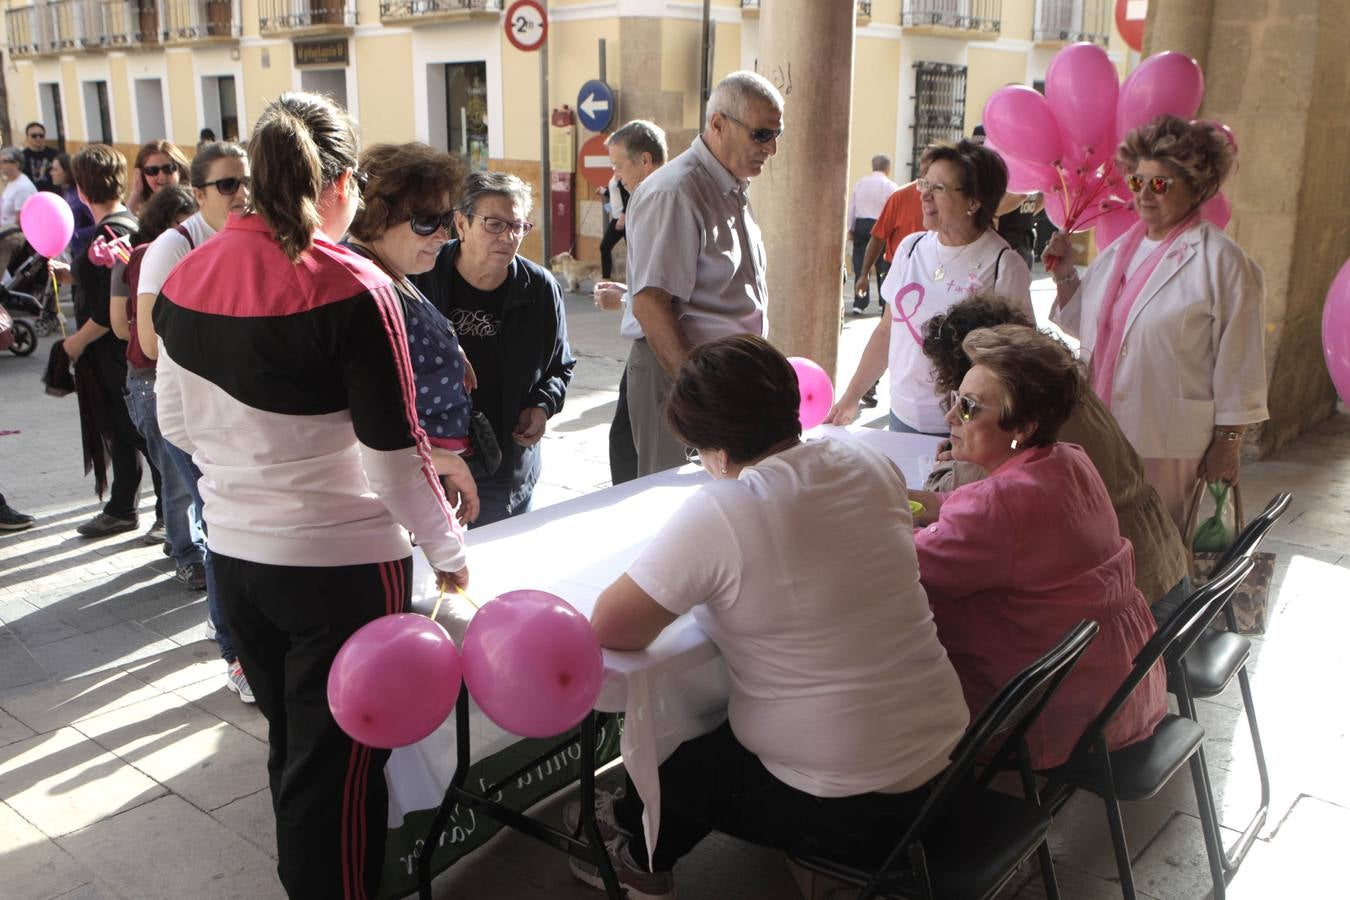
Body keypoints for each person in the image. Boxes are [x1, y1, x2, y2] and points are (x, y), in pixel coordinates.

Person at [154, 92, 468, 899]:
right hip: (343, 565)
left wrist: (251, 471)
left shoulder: (186, 272)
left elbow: (174, 424)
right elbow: (397, 460)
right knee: (341, 776)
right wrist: (451, 554)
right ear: (341, 182)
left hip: (236, 558)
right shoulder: (356, 284)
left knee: (295, 753)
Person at [578, 334, 969, 897]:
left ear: (713, 447)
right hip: (944, 757)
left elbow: (610, 626)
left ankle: (637, 863)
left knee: (672, 771)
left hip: (853, 805)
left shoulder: (725, 508)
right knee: (710, 736)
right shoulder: (868, 460)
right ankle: (638, 834)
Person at [911, 325, 1166, 769]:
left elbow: (901, 576)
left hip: (1050, 716)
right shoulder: (1067, 458)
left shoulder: (999, 505)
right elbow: (986, 516)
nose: (951, 417)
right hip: (1118, 689)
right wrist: (924, 504)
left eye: (968, 407)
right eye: (955, 398)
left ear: (1023, 427)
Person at [1045, 115, 1268, 529]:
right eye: (1137, 182)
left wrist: (1229, 443)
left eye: (1160, 183)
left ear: (1196, 187)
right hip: (1100, 426)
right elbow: (1089, 328)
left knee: (1158, 541)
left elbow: (1240, 362)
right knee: (1097, 537)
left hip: (1167, 436)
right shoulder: (1119, 252)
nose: (1145, 194)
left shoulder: (1223, 262)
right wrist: (1064, 275)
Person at [917, 293, 1190, 610]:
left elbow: (946, 535)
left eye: (966, 405)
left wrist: (947, 464)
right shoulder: (1060, 404)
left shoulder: (1010, 446)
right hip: (1161, 567)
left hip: (1135, 597)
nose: (952, 416)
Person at [135, 141, 252, 701]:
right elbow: (147, 340)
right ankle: (235, 653)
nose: (242, 194)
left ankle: (225, 622)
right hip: (192, 417)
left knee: (239, 529)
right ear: (199, 193)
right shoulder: (173, 247)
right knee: (221, 527)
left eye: (247, 181)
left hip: (247, 411)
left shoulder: (255, 236)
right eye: (228, 185)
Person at [623, 70, 782, 476]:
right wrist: (697, 391)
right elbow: (650, 304)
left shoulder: (728, 188)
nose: (773, 148)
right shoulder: (677, 190)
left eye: (776, 135)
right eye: (762, 135)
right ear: (718, 124)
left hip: (721, 375)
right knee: (667, 502)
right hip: (678, 372)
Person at [827, 140, 1033, 435]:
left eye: (938, 188)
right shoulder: (910, 248)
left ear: (974, 202)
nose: (923, 193)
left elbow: (1017, 361)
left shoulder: (1003, 265)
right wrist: (851, 397)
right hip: (901, 414)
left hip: (961, 429)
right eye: (925, 182)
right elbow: (887, 330)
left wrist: (964, 428)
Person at [410, 171, 575, 526]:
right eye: (495, 224)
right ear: (461, 223)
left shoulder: (541, 289)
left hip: (505, 461)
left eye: (517, 226)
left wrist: (542, 405)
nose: (508, 238)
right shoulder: (420, 279)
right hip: (430, 458)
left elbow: (560, 366)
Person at [346, 141, 480, 526]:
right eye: (426, 222)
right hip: (395, 501)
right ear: (377, 216)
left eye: (447, 218)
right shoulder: (364, 289)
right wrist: (441, 462)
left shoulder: (391, 272)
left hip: (421, 480)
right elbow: (357, 424)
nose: (442, 235)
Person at [55, 144, 158, 540]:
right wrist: (72, 275)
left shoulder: (113, 231)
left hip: (112, 349)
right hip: (112, 350)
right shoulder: (121, 223)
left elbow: (108, 304)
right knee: (120, 429)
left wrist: (76, 343)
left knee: (138, 432)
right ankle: (121, 507)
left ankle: (166, 514)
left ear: (80, 190)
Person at [108, 186, 207, 588]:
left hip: (166, 375)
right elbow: (129, 330)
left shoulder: (193, 252)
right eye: (181, 223)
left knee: (183, 475)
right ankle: (187, 553)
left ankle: (183, 544)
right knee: (177, 476)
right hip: (151, 378)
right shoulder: (149, 255)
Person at [591, 119, 668, 485]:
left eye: (620, 166)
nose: (617, 176)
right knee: (626, 441)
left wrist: (623, 303)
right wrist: (626, 292)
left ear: (646, 160)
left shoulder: (655, 201)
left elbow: (667, 292)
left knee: (637, 450)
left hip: (654, 344)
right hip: (649, 339)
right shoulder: (655, 198)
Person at [847, 153, 898, 314]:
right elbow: (892, 212)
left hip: (861, 225)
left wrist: (851, 228)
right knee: (881, 266)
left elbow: (852, 207)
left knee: (860, 264)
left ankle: (859, 303)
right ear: (888, 168)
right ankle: (883, 303)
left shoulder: (861, 183)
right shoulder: (890, 186)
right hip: (880, 226)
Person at [50, 153, 97, 261]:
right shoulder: (67, 192)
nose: (51, 173)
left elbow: (99, 223)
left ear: (67, 171)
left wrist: (76, 234)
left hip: (84, 255)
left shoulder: (80, 196)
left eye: (55, 170)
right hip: (70, 253)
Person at [126, 140, 189, 218]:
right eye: (152, 171)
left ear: (180, 170)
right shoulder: (144, 209)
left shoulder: (194, 205)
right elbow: (126, 223)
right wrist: (136, 193)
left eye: (168, 168)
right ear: (142, 175)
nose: (161, 177)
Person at [0, 147, 38, 276]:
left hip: (13, 238)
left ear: (16, 164)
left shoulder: (23, 186)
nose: (1, 165)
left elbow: (20, 221)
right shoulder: (11, 182)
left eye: (4, 161)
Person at [597, 172, 629, 280]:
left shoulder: (624, 172)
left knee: (633, 250)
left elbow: (629, 196)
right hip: (616, 218)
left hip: (625, 219)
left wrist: (623, 216)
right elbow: (615, 194)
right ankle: (606, 279)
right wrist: (604, 191)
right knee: (604, 247)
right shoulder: (616, 170)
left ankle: (636, 282)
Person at [21, 122, 58, 192]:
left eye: (41, 135)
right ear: (27, 137)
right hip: (31, 195)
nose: (38, 138)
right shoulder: (22, 156)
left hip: (52, 195)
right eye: (34, 136)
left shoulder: (54, 154)